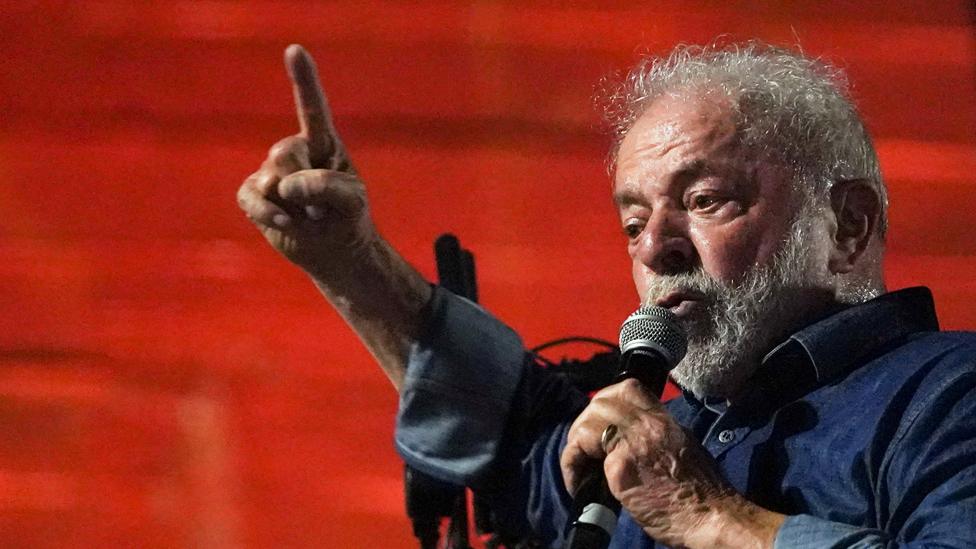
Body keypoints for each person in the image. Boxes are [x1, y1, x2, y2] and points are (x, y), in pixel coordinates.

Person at [236, 42, 976, 548]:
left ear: (846, 225)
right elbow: (509, 443)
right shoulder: (665, 438)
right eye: (631, 221)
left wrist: (712, 518)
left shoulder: (946, 392)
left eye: (707, 199)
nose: (655, 246)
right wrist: (350, 258)